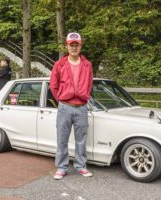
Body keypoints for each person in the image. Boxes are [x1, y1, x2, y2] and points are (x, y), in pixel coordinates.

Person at [50, 32, 93, 180]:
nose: (74, 47)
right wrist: (61, 100)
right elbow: (53, 85)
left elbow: (90, 84)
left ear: (80, 45)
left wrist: (84, 96)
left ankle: (81, 166)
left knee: (81, 139)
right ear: (67, 46)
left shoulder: (87, 65)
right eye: (71, 45)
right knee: (62, 138)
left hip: (81, 107)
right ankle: (62, 167)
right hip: (65, 106)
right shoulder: (59, 64)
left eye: (76, 44)